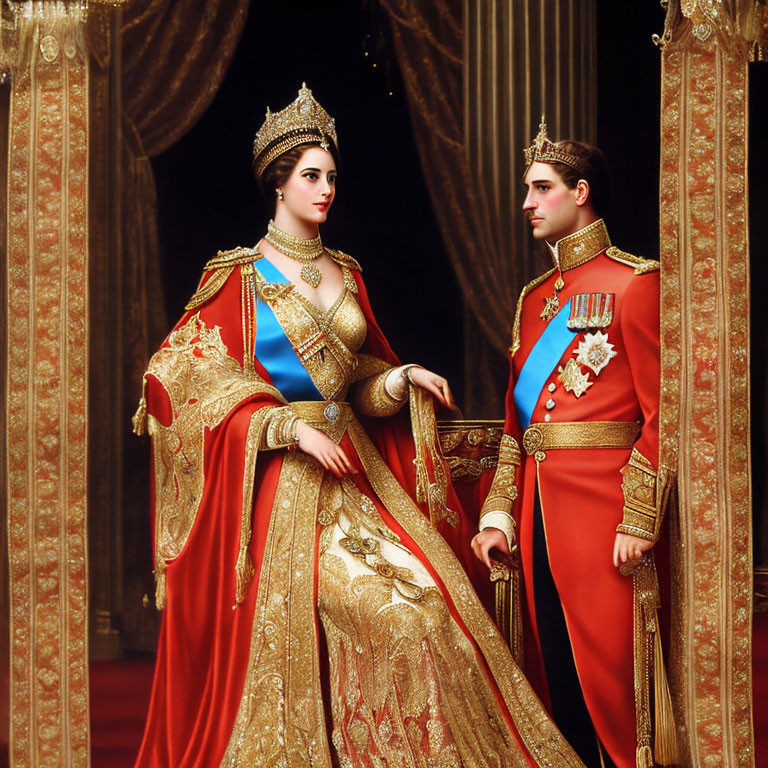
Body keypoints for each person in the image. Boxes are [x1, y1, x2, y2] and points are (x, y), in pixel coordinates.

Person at [131, 86, 583, 768]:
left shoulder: (345, 273)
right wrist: (283, 427)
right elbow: (177, 381)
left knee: (433, 609)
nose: (326, 188)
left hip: (360, 480)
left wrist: (398, 380)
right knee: (395, 619)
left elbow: (361, 382)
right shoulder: (238, 279)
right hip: (286, 494)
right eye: (311, 175)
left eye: (332, 176)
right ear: (277, 183)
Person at [472, 120, 674, 768]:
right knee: (555, 674)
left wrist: (639, 517)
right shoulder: (533, 301)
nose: (527, 203)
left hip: (603, 516)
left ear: (580, 192)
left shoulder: (636, 283)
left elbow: (664, 411)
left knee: (610, 679)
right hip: (536, 512)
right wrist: (499, 513)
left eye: (540, 188)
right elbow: (517, 425)